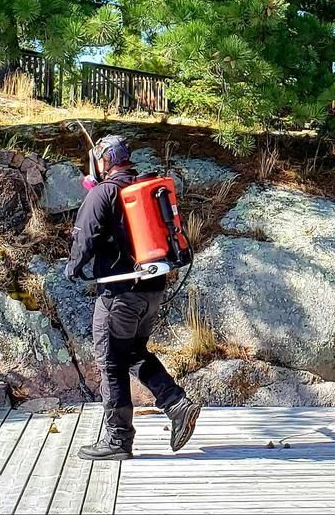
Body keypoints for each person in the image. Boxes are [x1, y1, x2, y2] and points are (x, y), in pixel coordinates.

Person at [64, 135, 201, 461]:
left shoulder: (103, 193)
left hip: (119, 293)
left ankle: (117, 440)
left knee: (111, 361)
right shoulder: (144, 187)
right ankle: (177, 404)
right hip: (151, 289)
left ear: (103, 161)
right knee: (134, 352)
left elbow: (85, 238)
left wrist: (72, 268)